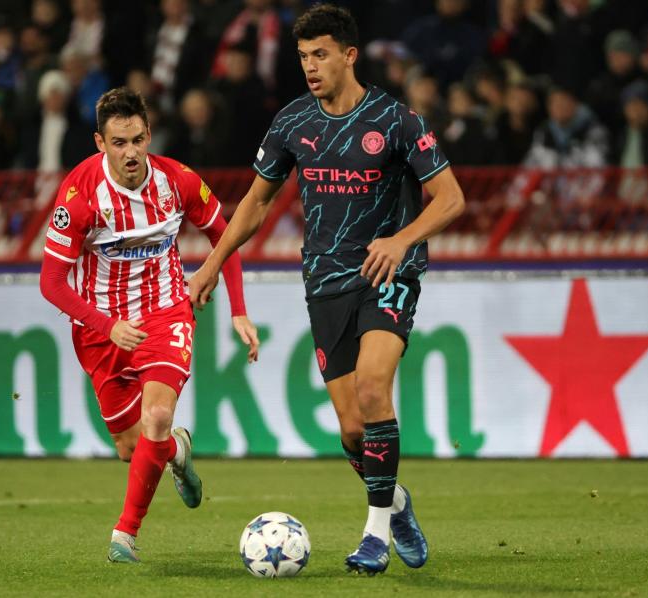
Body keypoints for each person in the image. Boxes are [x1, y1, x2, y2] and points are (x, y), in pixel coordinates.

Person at [189, 4, 465, 576]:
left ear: (349, 55)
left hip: (388, 275)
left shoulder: (395, 121)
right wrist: (214, 261)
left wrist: (401, 240)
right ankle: (399, 505)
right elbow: (257, 202)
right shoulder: (293, 123)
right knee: (350, 430)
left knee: (372, 386)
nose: (310, 67)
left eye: (320, 55)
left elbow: (452, 198)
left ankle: (374, 537)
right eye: (303, 57)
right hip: (325, 282)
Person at [39, 87, 258, 563]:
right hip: (103, 329)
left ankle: (125, 534)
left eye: (138, 139)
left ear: (149, 134)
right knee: (130, 447)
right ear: (100, 143)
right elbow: (51, 283)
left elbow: (227, 236)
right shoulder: (79, 197)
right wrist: (105, 324)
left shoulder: (177, 180)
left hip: (165, 312)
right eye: (119, 143)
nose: (131, 152)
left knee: (157, 415)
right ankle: (177, 452)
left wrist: (238, 308)